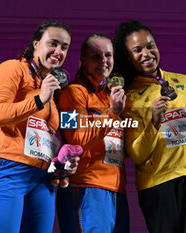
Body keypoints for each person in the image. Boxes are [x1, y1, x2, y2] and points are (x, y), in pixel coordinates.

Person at [113, 20, 186, 233]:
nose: (147, 53)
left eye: (150, 46)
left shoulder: (184, 81)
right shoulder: (129, 98)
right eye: (137, 50)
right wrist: (154, 122)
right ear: (127, 56)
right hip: (158, 185)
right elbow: (136, 154)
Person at [0, 20, 79, 233]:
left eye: (64, 47)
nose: (58, 51)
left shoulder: (49, 86)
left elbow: (39, 133)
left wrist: (61, 163)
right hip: (5, 169)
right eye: (53, 43)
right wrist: (39, 99)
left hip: (42, 179)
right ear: (36, 44)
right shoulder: (12, 69)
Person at [56, 33, 130, 233]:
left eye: (108, 55)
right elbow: (76, 140)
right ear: (82, 60)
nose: (104, 61)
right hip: (86, 187)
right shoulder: (72, 93)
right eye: (96, 56)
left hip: (117, 189)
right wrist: (112, 113)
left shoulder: (111, 95)